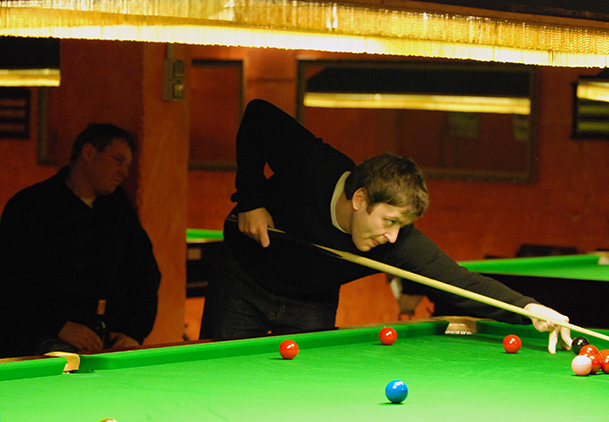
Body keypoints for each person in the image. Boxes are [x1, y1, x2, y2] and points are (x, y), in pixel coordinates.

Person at [200, 99, 571, 352]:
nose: (393, 236)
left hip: (310, 300)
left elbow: (461, 282)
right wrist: (250, 200)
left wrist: (530, 309)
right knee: (219, 374)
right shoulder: (313, 165)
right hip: (244, 279)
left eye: (401, 225)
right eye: (390, 221)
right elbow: (258, 115)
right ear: (360, 199)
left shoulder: (397, 241)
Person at [0, 123, 161, 357]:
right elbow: (11, 282)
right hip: (37, 337)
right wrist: (60, 325)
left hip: (104, 340)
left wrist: (133, 332)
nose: (124, 173)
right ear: (89, 153)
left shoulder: (119, 211)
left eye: (127, 165)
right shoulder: (31, 206)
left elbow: (145, 274)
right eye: (118, 160)